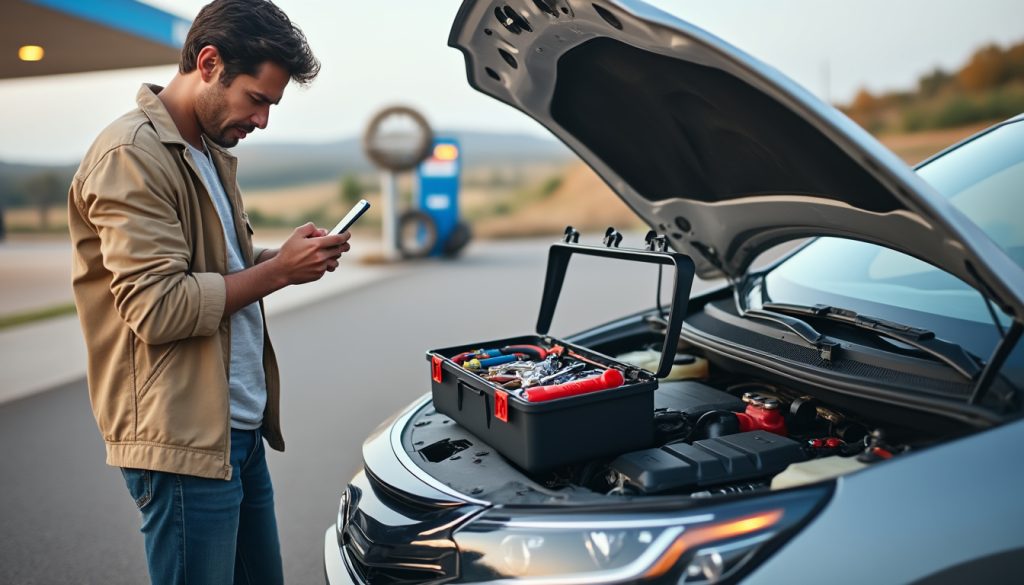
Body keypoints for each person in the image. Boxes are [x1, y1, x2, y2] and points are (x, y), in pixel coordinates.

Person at [67, 1, 343, 583]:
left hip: (235, 432)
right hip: (182, 439)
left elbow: (215, 271)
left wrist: (282, 259)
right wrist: (276, 274)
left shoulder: (209, 152)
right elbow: (157, 307)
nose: (264, 120)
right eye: (258, 99)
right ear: (210, 62)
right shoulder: (132, 156)